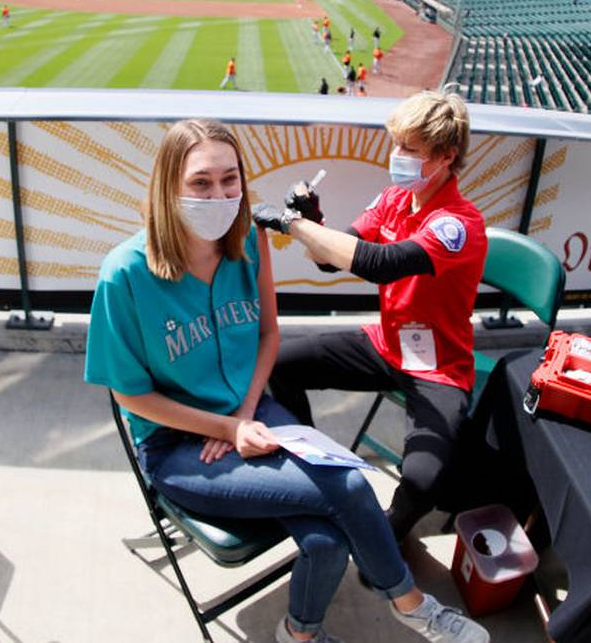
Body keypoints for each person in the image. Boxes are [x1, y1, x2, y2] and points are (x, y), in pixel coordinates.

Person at [88, 119, 489, 643]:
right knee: (349, 484)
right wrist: (227, 428)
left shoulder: (249, 241)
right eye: (201, 183)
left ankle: (299, 635)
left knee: (326, 540)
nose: (220, 193)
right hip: (174, 444)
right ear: (169, 186)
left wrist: (245, 412)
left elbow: (268, 335)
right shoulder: (123, 273)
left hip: (249, 412)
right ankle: (411, 605)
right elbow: (129, 394)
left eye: (230, 180)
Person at [265, 91, 487, 544]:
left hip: (438, 368)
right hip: (386, 343)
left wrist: (292, 225)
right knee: (279, 365)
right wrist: (313, 217)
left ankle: (389, 532)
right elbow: (332, 260)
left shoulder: (459, 224)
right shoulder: (393, 199)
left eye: (411, 149)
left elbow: (377, 263)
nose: (397, 156)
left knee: (423, 480)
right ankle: (314, 471)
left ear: (446, 156)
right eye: (397, 144)